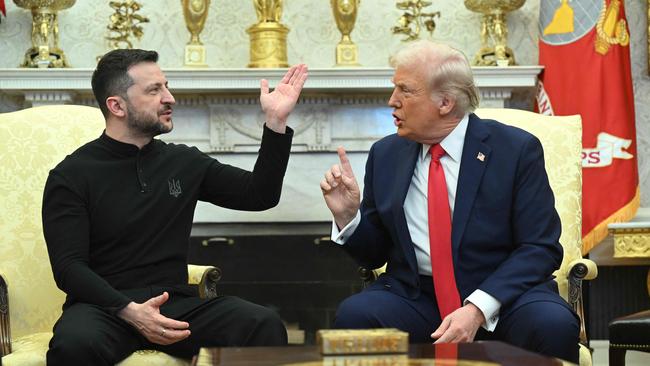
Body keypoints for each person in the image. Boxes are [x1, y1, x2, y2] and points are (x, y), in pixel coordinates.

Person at [42, 48, 308, 365]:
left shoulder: (183, 161)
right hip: (104, 309)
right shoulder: (71, 175)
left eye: (167, 86)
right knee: (73, 345)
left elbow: (259, 195)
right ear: (117, 106)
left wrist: (276, 122)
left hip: (175, 306)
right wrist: (128, 310)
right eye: (154, 90)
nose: (170, 98)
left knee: (261, 325)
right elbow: (69, 268)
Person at [320, 40, 579, 363]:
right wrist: (348, 217)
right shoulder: (386, 155)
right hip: (417, 297)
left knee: (552, 325)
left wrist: (476, 309)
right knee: (355, 316)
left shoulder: (515, 150)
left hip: (506, 296)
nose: (392, 101)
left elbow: (540, 248)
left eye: (405, 90)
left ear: (445, 102)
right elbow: (374, 255)